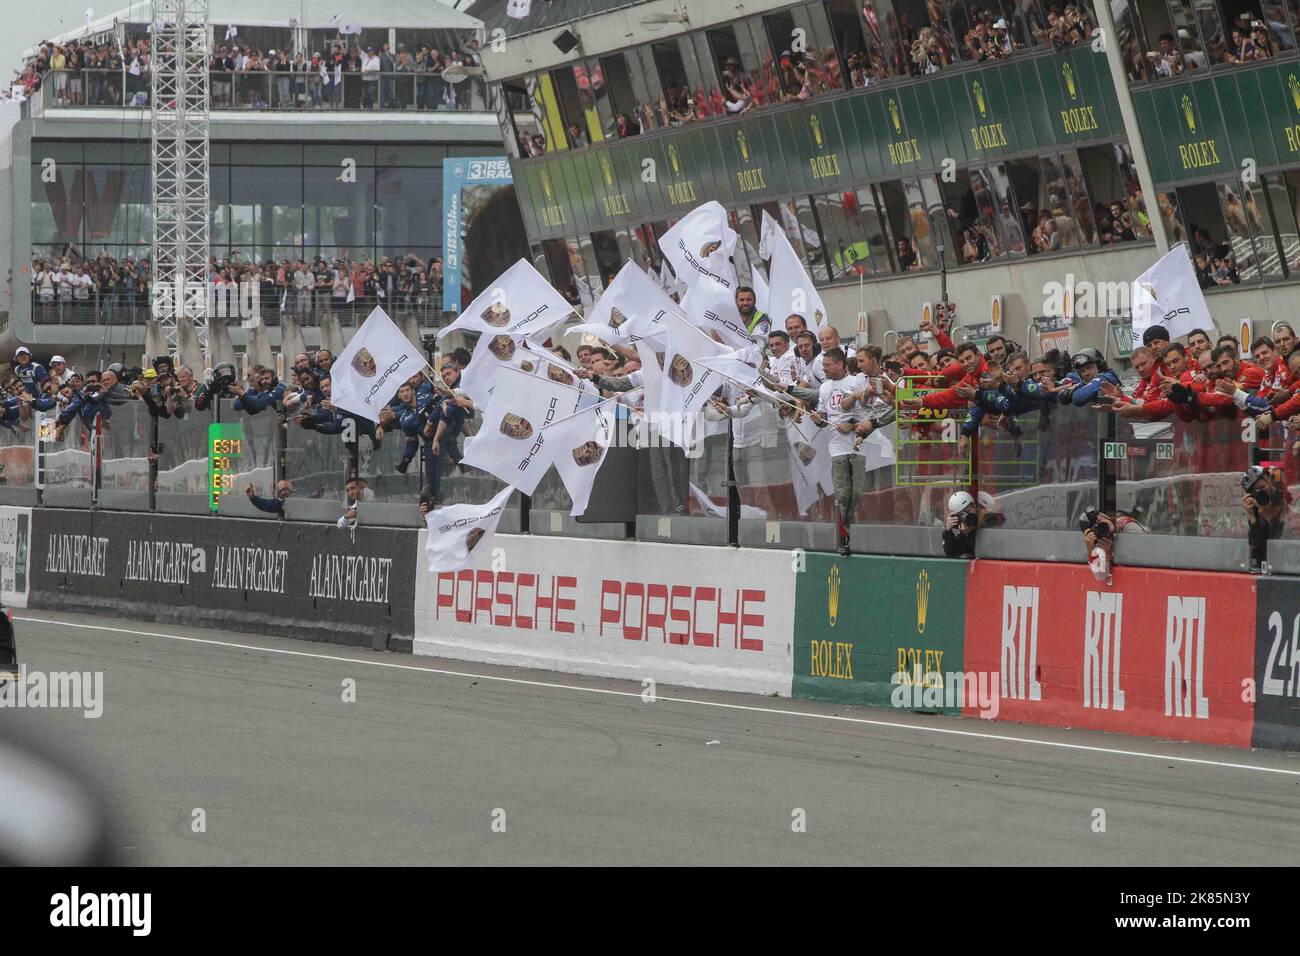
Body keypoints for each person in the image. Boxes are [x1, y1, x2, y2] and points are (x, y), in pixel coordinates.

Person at [810, 347, 866, 556]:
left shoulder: (855, 383)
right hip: (836, 449)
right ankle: (847, 537)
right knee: (842, 495)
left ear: (840, 364)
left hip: (859, 447)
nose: (823, 369)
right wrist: (817, 419)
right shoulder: (825, 387)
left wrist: (851, 426)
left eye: (827, 365)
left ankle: (861, 535)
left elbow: (866, 414)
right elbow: (824, 417)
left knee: (859, 494)